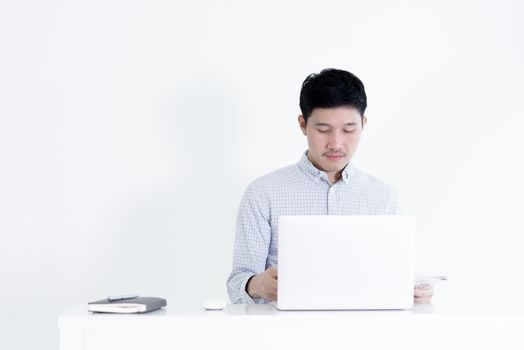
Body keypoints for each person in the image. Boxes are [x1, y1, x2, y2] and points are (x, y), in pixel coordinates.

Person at [226, 68, 433, 304]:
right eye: (323, 130)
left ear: (363, 124)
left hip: (363, 331)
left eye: (348, 130)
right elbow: (236, 285)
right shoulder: (263, 193)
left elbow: (391, 276)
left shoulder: (382, 197)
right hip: (282, 333)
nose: (336, 143)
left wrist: (412, 289)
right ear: (303, 124)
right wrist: (258, 284)